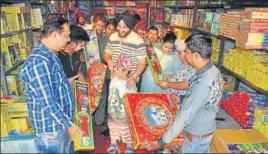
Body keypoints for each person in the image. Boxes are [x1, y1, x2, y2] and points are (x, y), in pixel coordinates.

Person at [145, 33, 224, 153]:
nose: (184, 55)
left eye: (186, 52)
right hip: (204, 131)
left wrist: (161, 142)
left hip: (196, 137)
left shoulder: (203, 84)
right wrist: (171, 86)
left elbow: (185, 116)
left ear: (196, 55)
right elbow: (189, 84)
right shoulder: (211, 70)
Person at [19, 16, 81, 153]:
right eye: (66, 36)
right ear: (54, 35)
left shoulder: (51, 55)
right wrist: (69, 125)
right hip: (51, 130)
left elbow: (50, 85)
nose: (69, 40)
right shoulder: (39, 61)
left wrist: (65, 83)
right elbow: (48, 102)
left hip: (59, 124)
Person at [104, 12, 147, 91]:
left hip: (130, 81)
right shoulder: (113, 37)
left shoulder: (138, 41)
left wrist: (134, 77)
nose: (121, 30)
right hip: (114, 78)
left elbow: (142, 62)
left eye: (124, 27)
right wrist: (109, 60)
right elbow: (107, 54)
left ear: (130, 27)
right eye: (119, 26)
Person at [107, 55, 136, 153]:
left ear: (126, 71)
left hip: (123, 114)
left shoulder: (129, 84)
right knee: (113, 128)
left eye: (118, 68)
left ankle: (129, 145)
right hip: (111, 111)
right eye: (115, 66)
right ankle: (113, 143)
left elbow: (133, 100)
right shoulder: (114, 78)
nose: (115, 68)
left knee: (125, 130)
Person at [158, 39, 196, 104]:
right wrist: (171, 77)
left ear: (187, 52)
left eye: (180, 53)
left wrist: (168, 84)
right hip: (171, 98)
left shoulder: (193, 67)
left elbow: (186, 84)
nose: (178, 55)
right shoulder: (183, 64)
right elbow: (180, 75)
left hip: (179, 101)